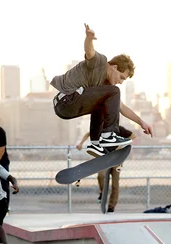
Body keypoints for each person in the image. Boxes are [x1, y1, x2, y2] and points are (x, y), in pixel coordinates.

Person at [51, 23, 152, 157]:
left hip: (66, 108)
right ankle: (109, 135)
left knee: (104, 103)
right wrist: (88, 38)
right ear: (114, 67)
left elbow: (121, 107)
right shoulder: (100, 63)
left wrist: (141, 122)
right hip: (65, 100)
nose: (120, 82)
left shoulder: (105, 90)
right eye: (121, 77)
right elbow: (90, 51)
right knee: (114, 92)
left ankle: (95, 143)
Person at [76, 125, 135, 213]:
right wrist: (80, 143)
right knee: (101, 176)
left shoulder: (119, 129)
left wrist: (121, 146)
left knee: (115, 184)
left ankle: (111, 206)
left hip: (117, 160)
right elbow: (88, 134)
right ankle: (103, 192)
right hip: (104, 158)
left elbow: (133, 136)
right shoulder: (101, 129)